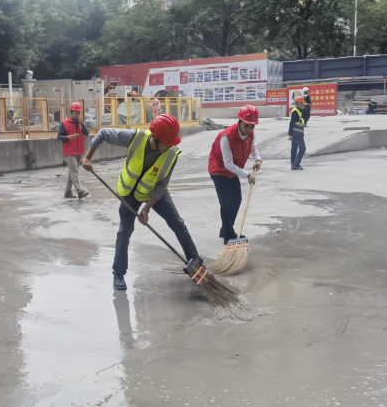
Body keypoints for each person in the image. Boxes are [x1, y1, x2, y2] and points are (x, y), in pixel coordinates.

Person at [82, 114, 202, 291]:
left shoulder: (171, 154)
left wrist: (147, 208)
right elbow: (103, 133)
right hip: (130, 192)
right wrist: (88, 156)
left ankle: (197, 264)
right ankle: (119, 273)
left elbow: (161, 186)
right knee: (125, 231)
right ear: (156, 139)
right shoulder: (136, 138)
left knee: (177, 223)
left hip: (154, 190)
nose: (170, 147)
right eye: (167, 143)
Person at [208, 106, 262, 244]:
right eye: (246, 125)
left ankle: (225, 229)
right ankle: (228, 235)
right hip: (219, 170)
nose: (249, 129)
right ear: (240, 121)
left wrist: (258, 159)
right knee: (226, 202)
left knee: (236, 200)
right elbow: (228, 164)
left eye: (252, 126)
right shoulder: (226, 137)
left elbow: (253, 148)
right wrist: (247, 175)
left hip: (233, 171)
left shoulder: (250, 134)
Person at [57, 102, 90, 200]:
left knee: (72, 172)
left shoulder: (81, 124)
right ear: (71, 112)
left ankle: (67, 192)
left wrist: (82, 123)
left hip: (79, 151)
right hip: (69, 152)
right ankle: (80, 191)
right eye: (76, 113)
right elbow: (59, 136)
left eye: (79, 112)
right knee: (75, 171)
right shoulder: (64, 123)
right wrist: (67, 137)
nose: (78, 114)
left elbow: (86, 133)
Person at [289, 96, 307, 170]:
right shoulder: (295, 112)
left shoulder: (298, 111)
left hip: (296, 133)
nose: (302, 104)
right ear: (297, 103)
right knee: (302, 148)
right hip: (297, 134)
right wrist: (290, 134)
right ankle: (296, 165)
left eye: (303, 103)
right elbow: (291, 123)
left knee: (294, 149)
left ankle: (293, 165)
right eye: (301, 103)